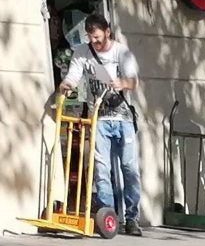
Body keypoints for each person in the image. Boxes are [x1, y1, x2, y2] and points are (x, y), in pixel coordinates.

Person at [61, 13, 144, 234]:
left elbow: (134, 82)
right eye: (91, 38)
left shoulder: (121, 52)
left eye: (97, 37)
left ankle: (132, 216)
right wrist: (67, 85)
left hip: (123, 118)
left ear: (107, 32)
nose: (94, 42)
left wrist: (122, 82)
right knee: (102, 168)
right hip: (99, 118)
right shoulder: (82, 53)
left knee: (129, 167)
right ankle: (108, 215)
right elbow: (73, 75)